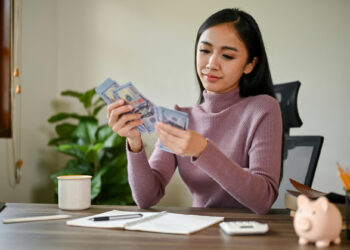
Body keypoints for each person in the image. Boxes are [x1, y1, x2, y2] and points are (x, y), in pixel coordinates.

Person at [107, 8, 282, 214]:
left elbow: (263, 200)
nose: (210, 64)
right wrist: (134, 143)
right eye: (205, 51)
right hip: (197, 234)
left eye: (227, 55)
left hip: (247, 236)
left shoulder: (263, 108)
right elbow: (146, 198)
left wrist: (203, 150)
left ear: (250, 64)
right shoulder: (181, 117)